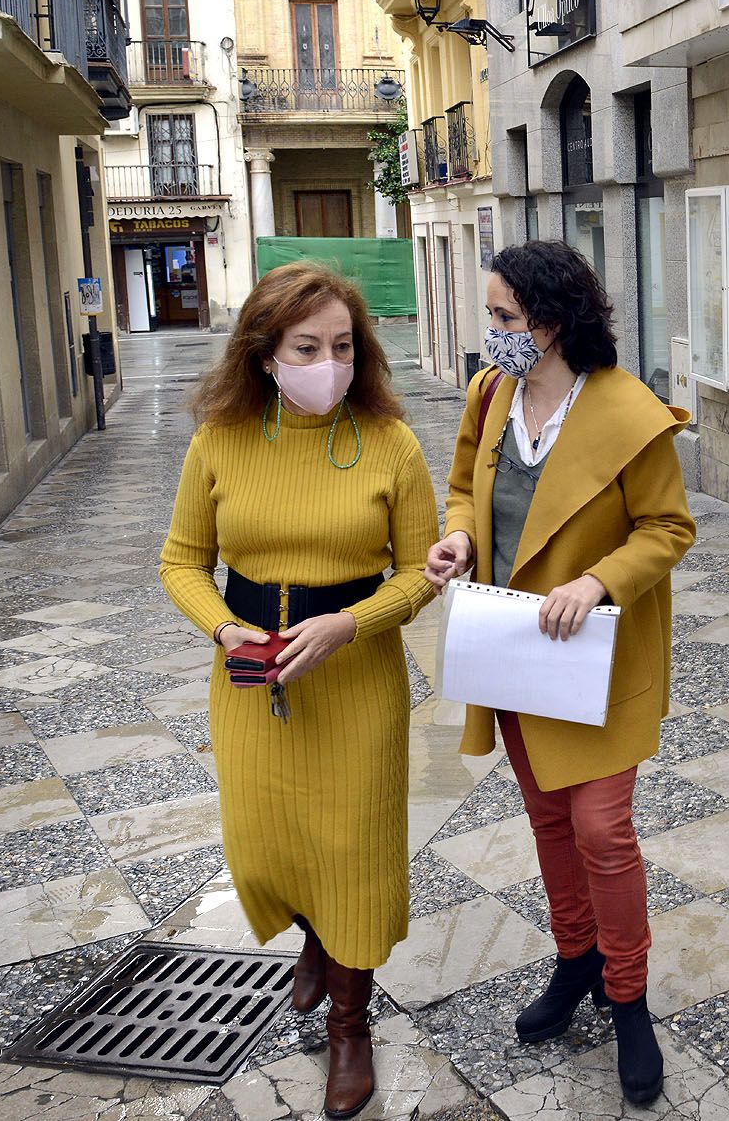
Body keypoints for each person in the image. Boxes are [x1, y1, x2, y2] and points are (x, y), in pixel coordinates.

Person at [159, 261, 438, 1119]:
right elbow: (182, 561)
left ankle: (351, 1028)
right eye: (307, 346)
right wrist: (222, 626)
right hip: (251, 676)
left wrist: (349, 623)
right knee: (268, 839)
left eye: (344, 345)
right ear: (265, 353)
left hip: (354, 677)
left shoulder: (391, 441)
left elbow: (421, 573)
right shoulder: (221, 439)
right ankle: (316, 934)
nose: (329, 361)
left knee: (350, 850)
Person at [425, 240, 695, 1107]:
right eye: (493, 316)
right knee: (548, 819)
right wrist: (459, 536)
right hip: (514, 650)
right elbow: (466, 484)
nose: (492, 333)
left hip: (596, 658)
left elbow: (667, 528)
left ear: (551, 320)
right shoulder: (491, 392)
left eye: (504, 318)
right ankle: (575, 956)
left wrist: (595, 579)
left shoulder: (629, 411)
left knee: (602, 830)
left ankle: (629, 999)